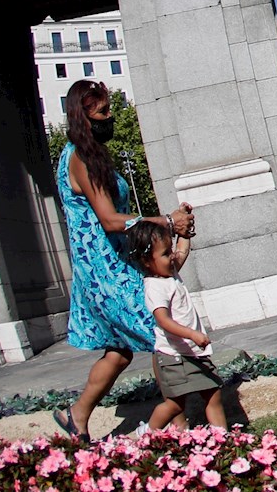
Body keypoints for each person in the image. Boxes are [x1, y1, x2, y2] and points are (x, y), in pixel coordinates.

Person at [52, 80, 195, 441]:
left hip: (107, 262)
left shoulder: (85, 153)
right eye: (102, 112)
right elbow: (109, 221)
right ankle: (178, 430)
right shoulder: (80, 158)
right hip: (105, 268)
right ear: (82, 117)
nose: (110, 117)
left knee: (118, 350)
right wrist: (166, 221)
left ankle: (76, 415)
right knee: (160, 330)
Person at [127, 217, 227, 431]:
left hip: (190, 352)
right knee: (174, 405)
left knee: (213, 393)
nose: (172, 256)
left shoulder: (169, 273)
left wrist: (184, 232)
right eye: (165, 253)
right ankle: (148, 433)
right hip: (174, 356)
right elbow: (163, 320)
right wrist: (192, 334)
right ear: (146, 261)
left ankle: (223, 439)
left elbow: (182, 250)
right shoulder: (154, 287)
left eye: (169, 250)